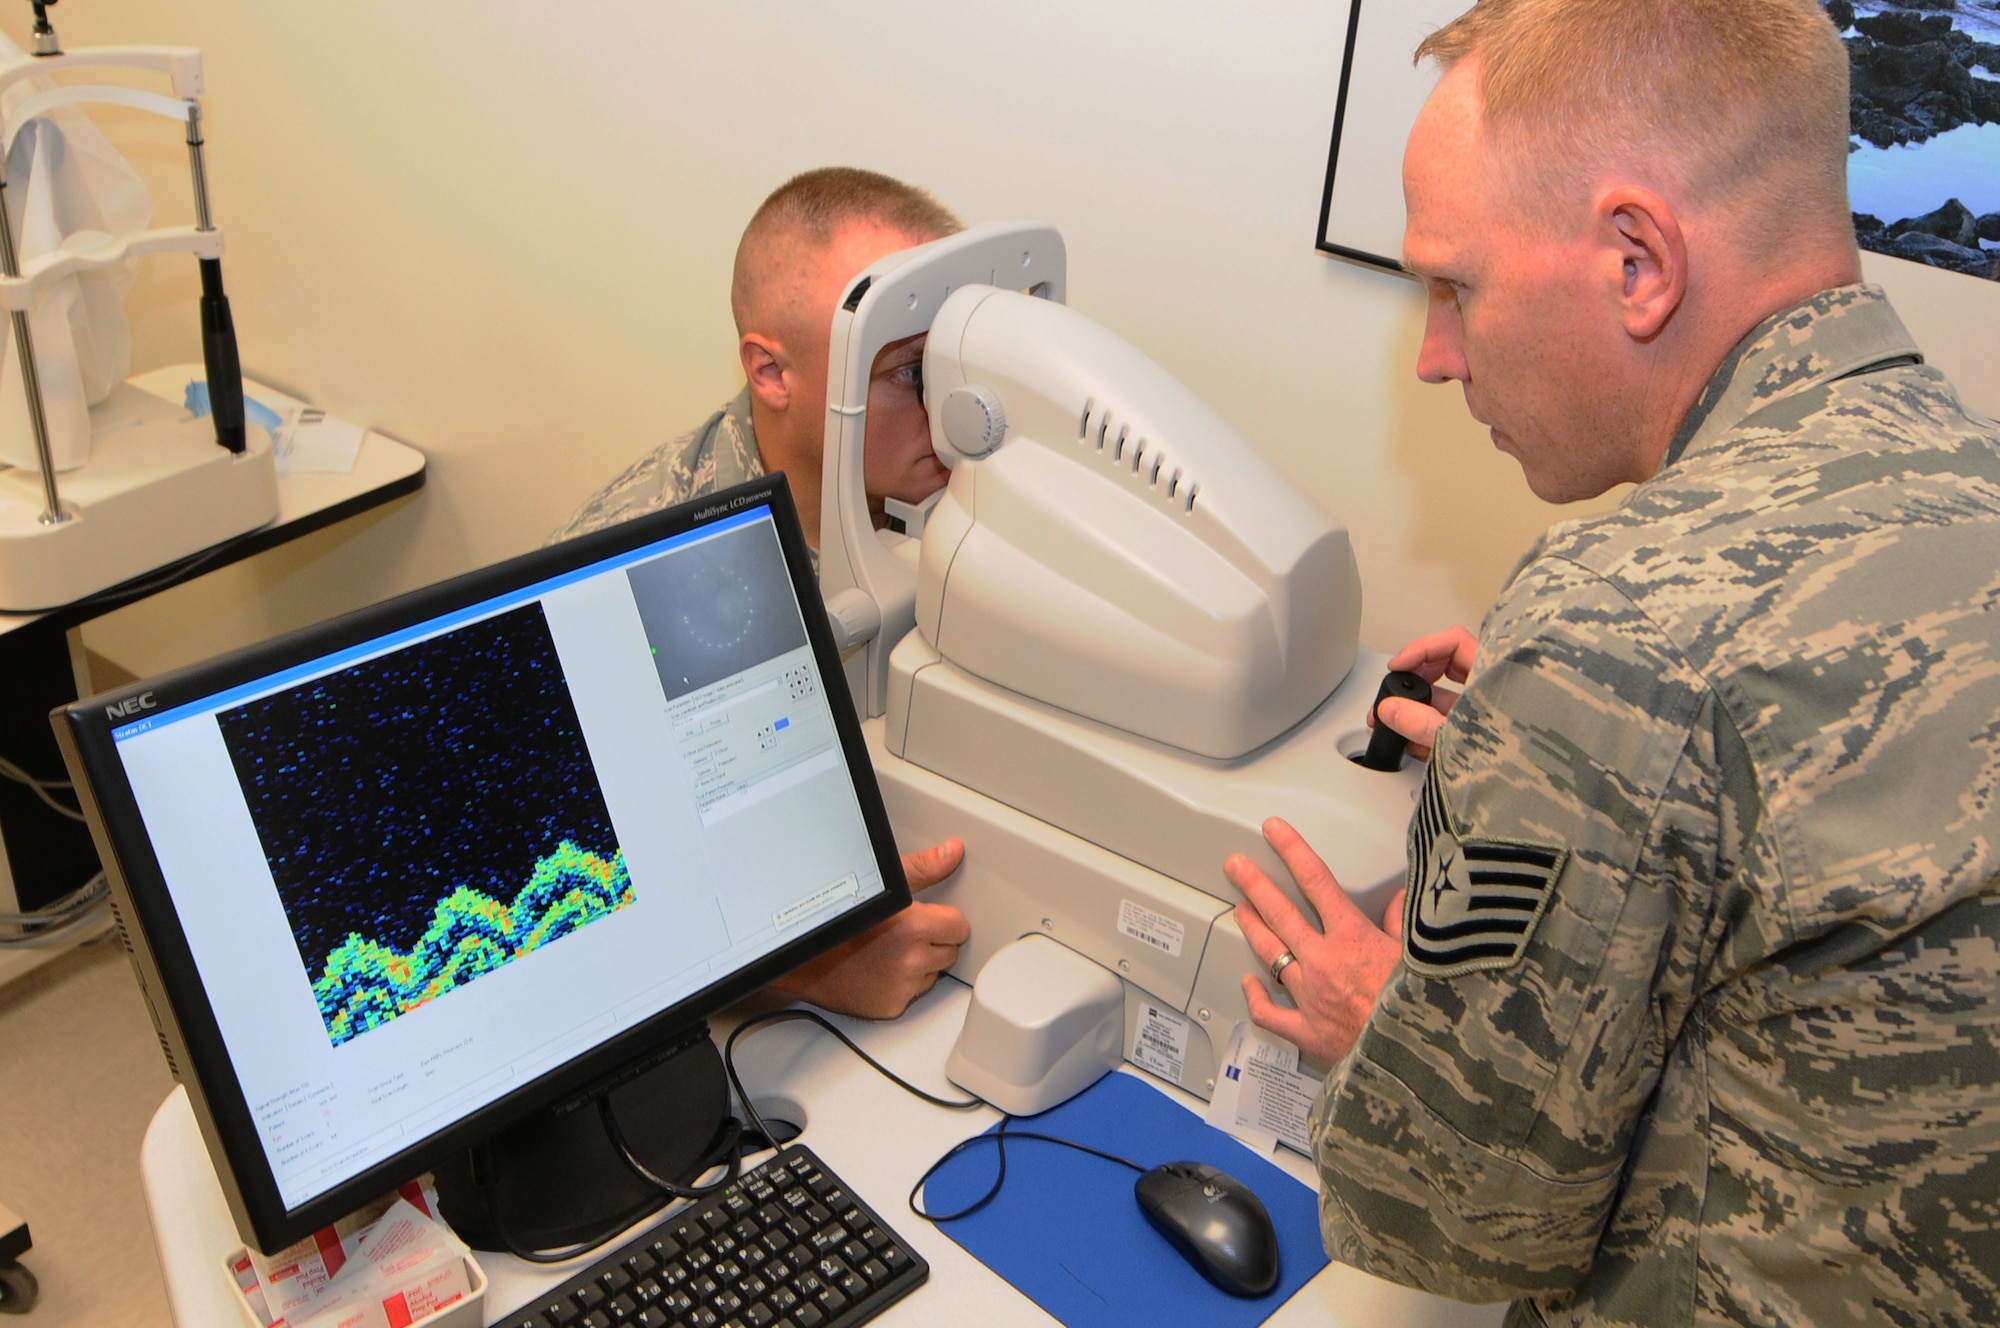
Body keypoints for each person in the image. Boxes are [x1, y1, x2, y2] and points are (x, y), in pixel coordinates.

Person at [1229, 1, 2000, 1322]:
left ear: (1639, 261)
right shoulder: (1958, 478)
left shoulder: (1619, 631)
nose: (1432, 356)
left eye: (1454, 286)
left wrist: (1385, 1023)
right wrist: (1575, 756)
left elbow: (1456, 1224)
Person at [552, 168, 971, 1021]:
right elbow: (587, 905)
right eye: (905, 374)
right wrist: (810, 970)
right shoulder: (644, 573)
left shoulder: (930, 480)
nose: (951, 410)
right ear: (773, 374)